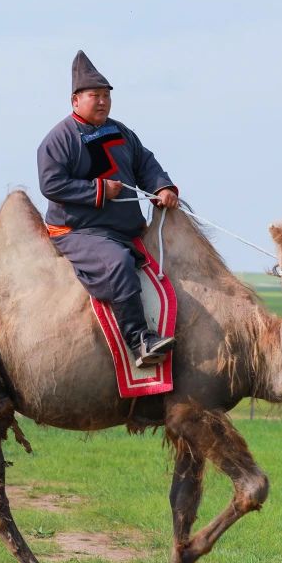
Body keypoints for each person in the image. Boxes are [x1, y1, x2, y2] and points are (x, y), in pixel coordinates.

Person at [38, 51, 180, 368]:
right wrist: (99, 190)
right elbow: (51, 185)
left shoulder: (120, 131)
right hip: (80, 231)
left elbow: (145, 162)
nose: (102, 102)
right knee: (117, 263)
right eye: (94, 96)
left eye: (106, 96)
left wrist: (162, 187)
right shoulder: (58, 139)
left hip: (125, 228)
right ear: (75, 101)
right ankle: (140, 341)